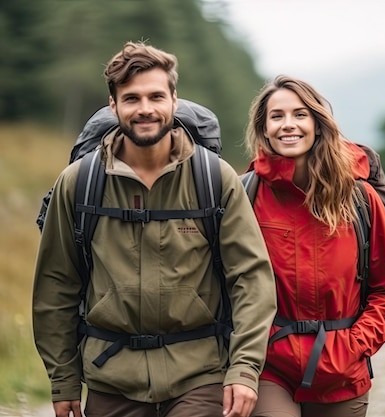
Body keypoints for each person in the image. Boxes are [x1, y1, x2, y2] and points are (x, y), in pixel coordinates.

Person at [32, 41, 277, 417]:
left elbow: (251, 278)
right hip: (110, 378)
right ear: (113, 105)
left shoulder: (213, 178)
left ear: (174, 101)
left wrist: (244, 370)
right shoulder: (79, 182)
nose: (145, 109)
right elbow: (56, 285)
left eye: (156, 96)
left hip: (201, 376)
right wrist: (63, 379)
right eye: (131, 99)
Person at [243, 75, 385, 417]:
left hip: (342, 371)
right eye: (277, 116)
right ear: (263, 129)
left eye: (300, 114)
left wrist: (353, 346)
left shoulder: (359, 198)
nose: (288, 125)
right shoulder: (247, 194)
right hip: (269, 365)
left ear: (318, 124)